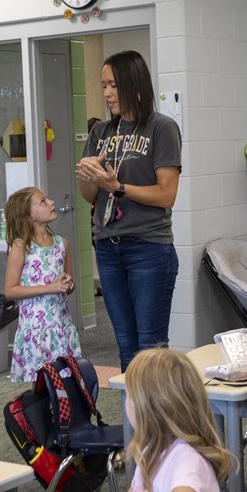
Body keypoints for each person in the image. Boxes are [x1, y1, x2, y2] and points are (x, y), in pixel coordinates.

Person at [75, 50, 182, 372]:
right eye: (103, 85)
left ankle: (156, 422)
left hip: (148, 248)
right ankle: (132, 422)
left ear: (134, 85)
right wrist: (90, 177)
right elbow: (87, 195)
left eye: (112, 85)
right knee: (125, 345)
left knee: (150, 347)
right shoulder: (101, 133)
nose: (106, 93)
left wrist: (116, 186)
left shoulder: (161, 128)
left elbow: (166, 194)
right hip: (108, 247)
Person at [87, 348, 232, 492]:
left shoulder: (188, 459)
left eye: (130, 395)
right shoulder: (151, 450)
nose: (126, 402)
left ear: (149, 409)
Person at [3, 186, 81, 383]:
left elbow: (69, 287)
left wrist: (67, 283)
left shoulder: (62, 243)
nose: (52, 203)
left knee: (65, 383)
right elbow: (10, 291)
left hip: (60, 326)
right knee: (42, 387)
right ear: (29, 216)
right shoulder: (21, 247)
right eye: (43, 202)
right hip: (35, 331)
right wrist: (50, 287)